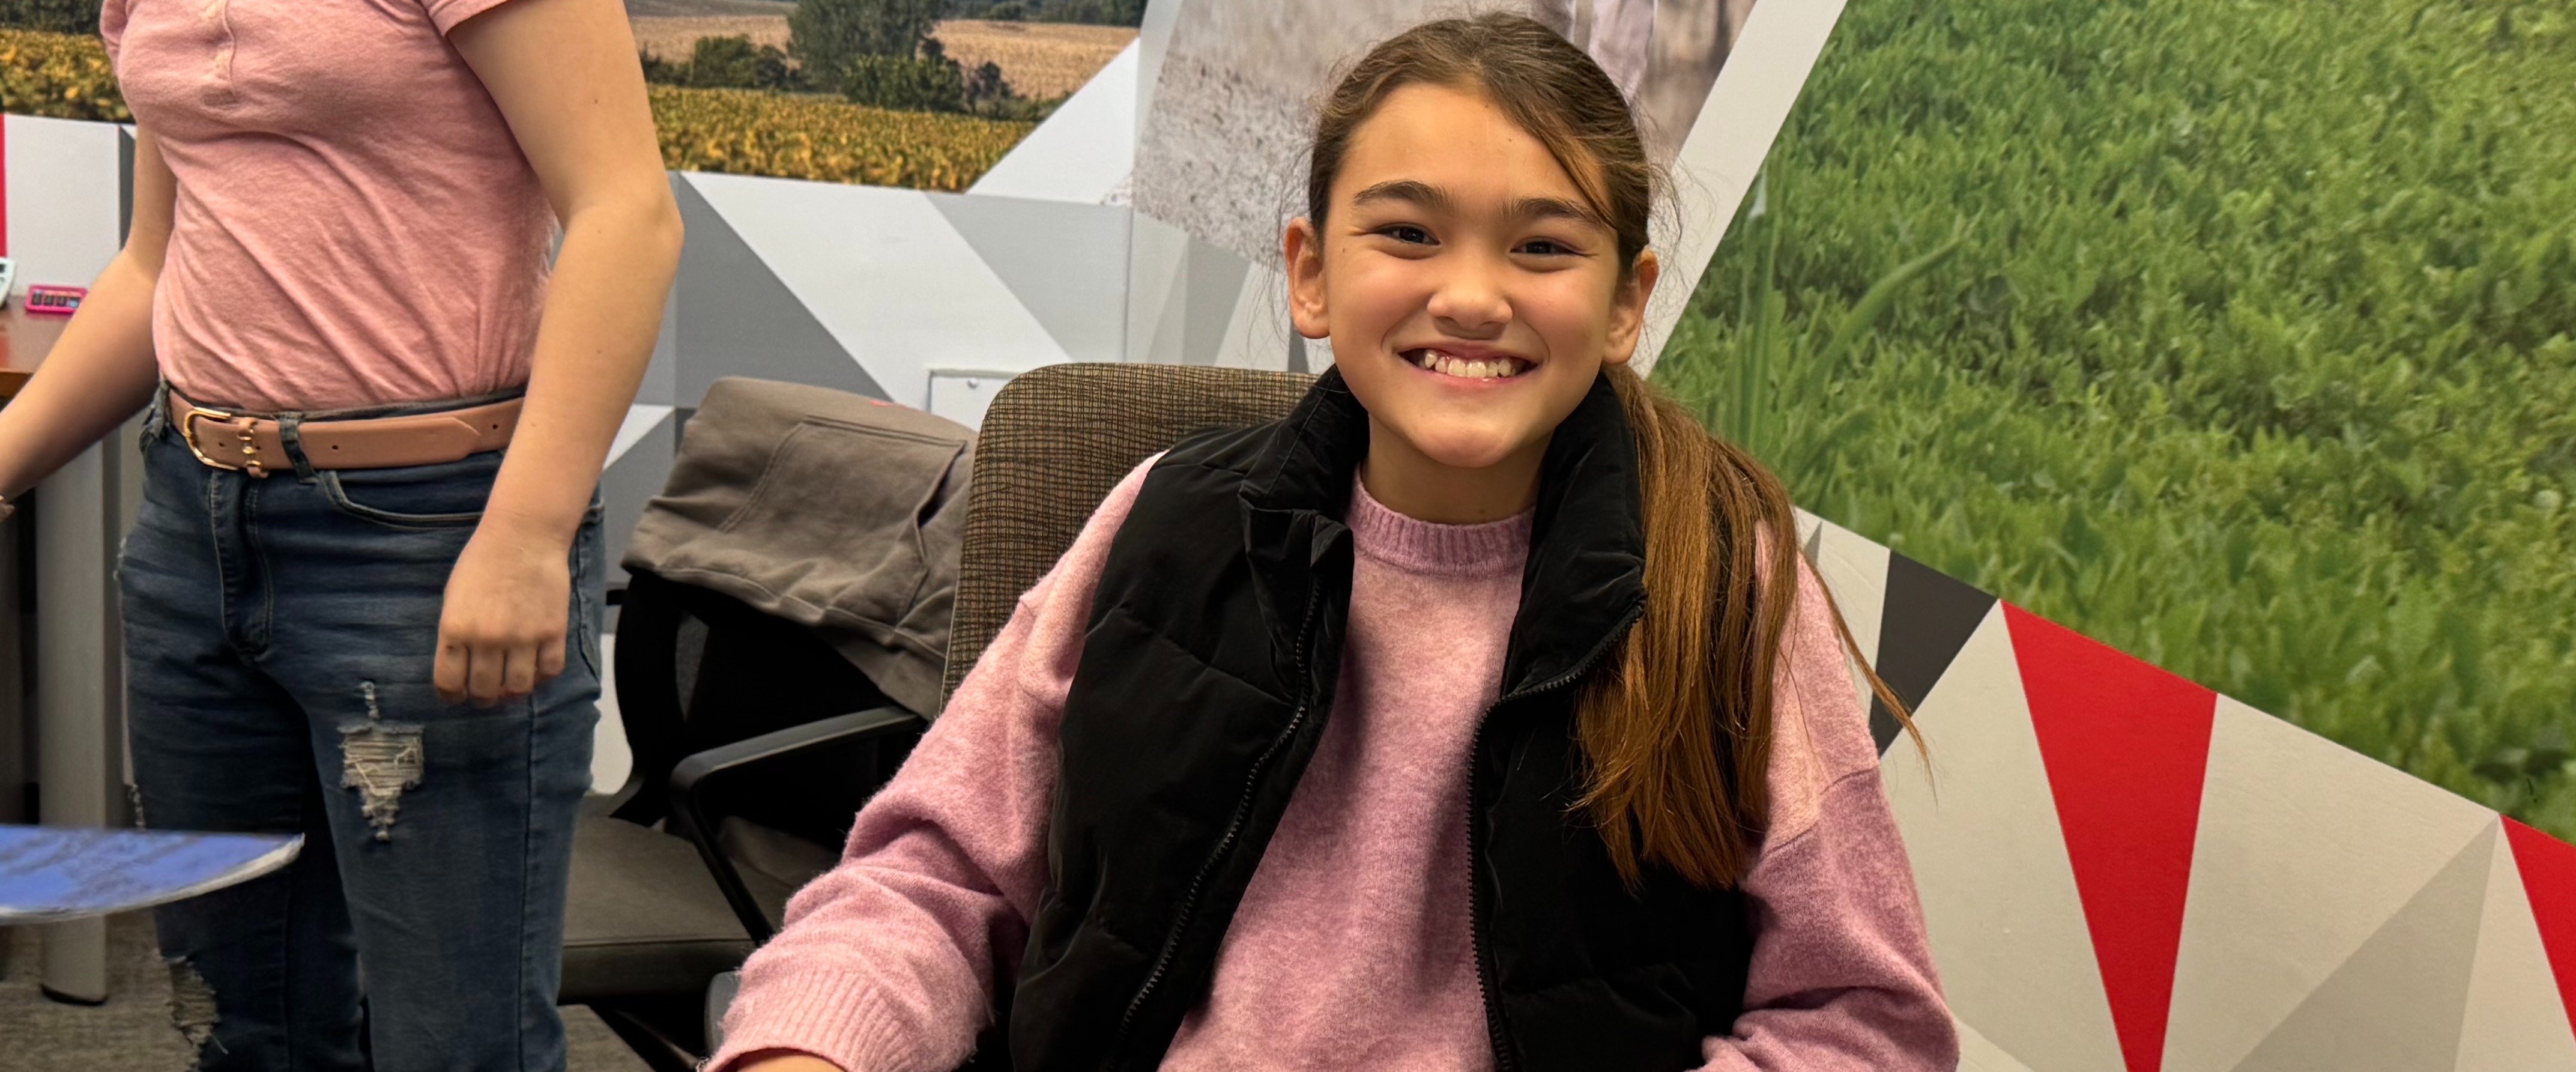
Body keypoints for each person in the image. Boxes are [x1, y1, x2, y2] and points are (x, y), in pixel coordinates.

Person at [710, 14, 1956, 1071]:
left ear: (1627, 301)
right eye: (1408, 233)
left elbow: (1862, 1021)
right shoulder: (1167, 518)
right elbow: (936, 879)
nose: (1470, 294)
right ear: (1310, 275)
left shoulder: (1718, 582)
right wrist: (809, 1042)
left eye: (1542, 245)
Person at [0, 0, 681, 1066]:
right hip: (194, 522)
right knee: (242, 1020)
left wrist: (528, 531)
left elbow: (626, 212)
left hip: (426, 535)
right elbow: (155, 263)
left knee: (455, 1043)